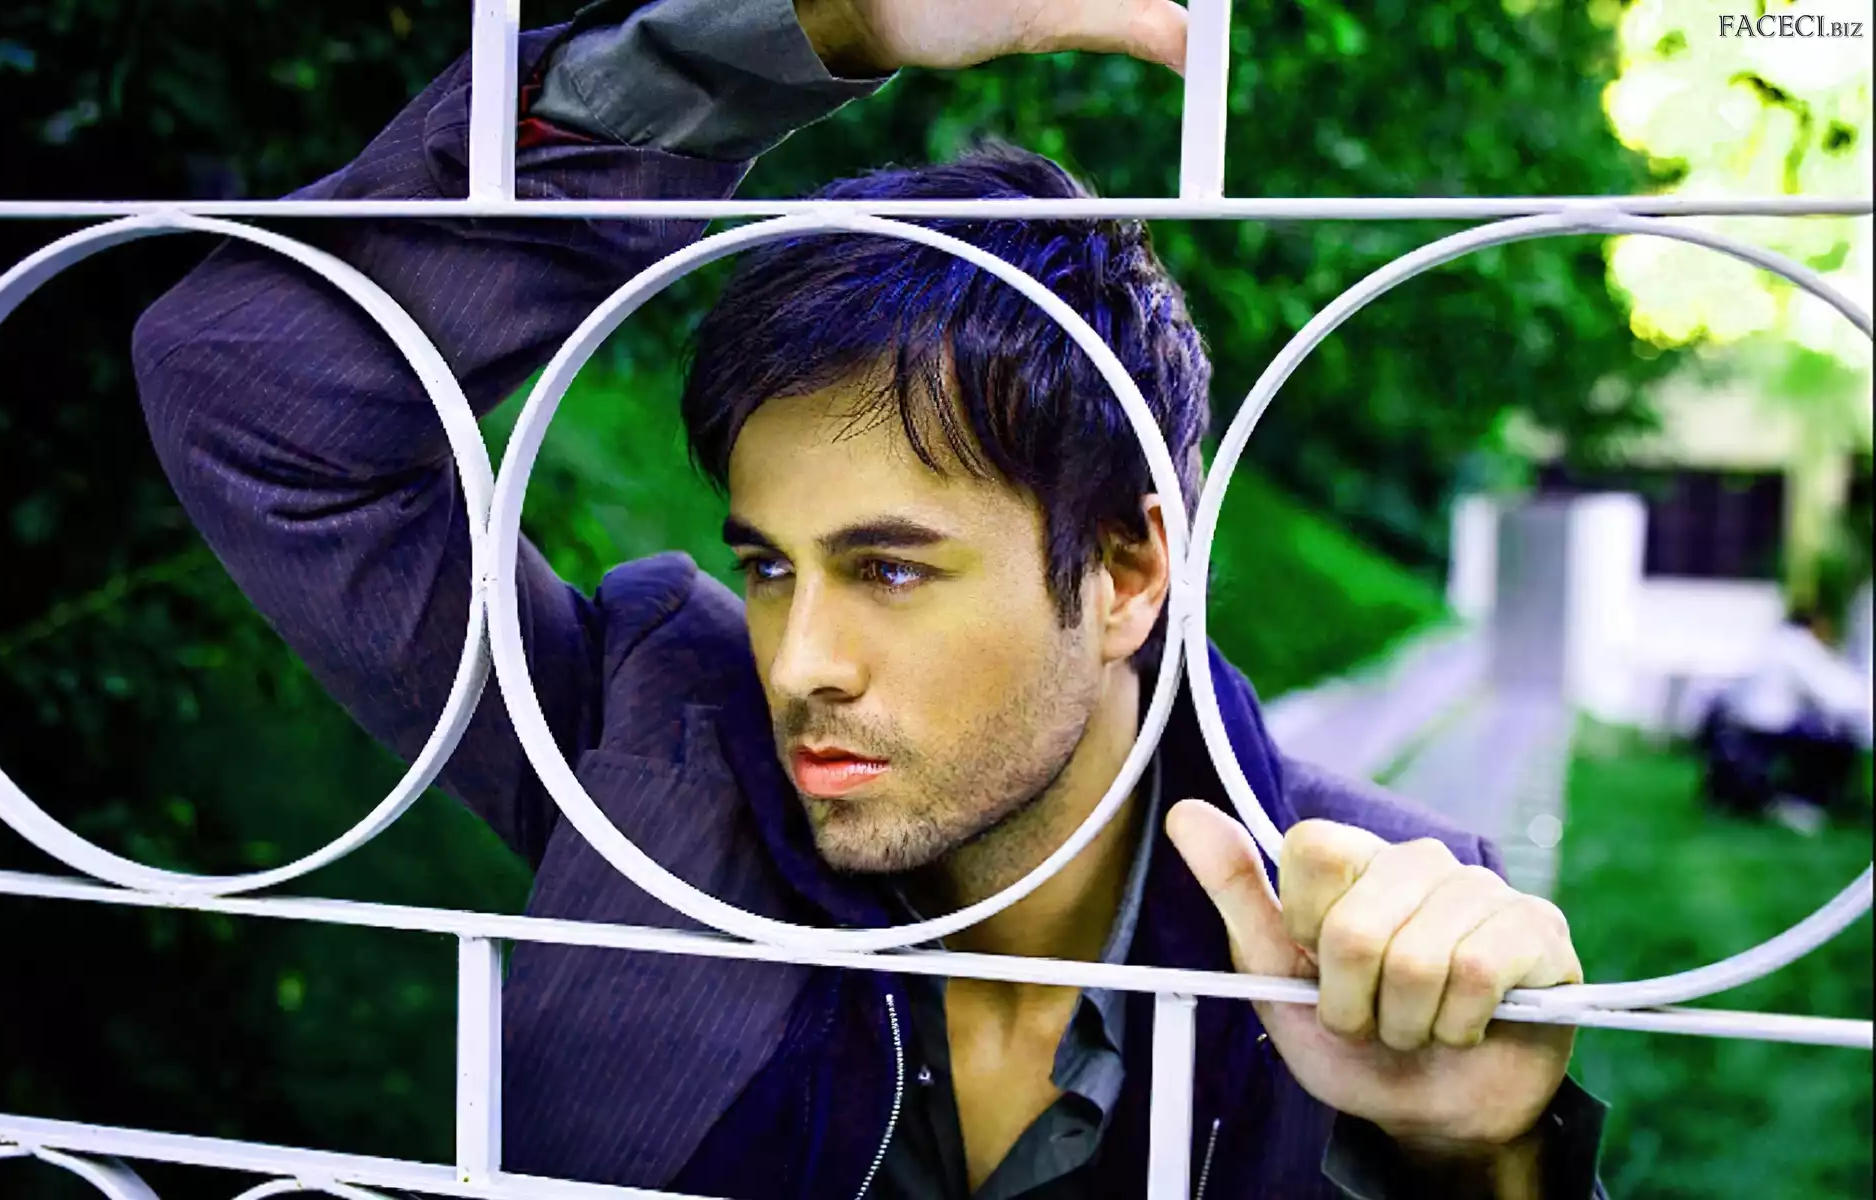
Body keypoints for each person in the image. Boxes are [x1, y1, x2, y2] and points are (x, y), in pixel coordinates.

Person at [132, 0, 1610, 1195]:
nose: (798, 665)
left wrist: (1481, 1162)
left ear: (1126, 570)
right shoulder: (656, 748)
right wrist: (801, 31)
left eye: (891, 568)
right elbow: (245, 391)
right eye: (767, 564)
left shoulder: (1382, 937)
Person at [1702, 603, 1871, 830]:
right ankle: (1810, 799)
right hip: (1768, 728)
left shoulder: (1775, 642)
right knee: (1837, 742)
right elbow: (1835, 696)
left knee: (1824, 732)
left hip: (1741, 725)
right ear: (1816, 624)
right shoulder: (1799, 647)